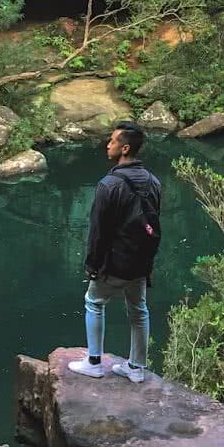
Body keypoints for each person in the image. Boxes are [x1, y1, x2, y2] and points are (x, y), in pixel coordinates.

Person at [68, 121, 162, 384]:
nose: (108, 144)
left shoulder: (109, 184)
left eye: (112, 141)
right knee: (138, 310)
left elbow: (99, 231)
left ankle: (94, 362)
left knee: (94, 302)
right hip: (141, 262)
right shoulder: (153, 181)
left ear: (125, 148)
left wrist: (93, 265)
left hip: (115, 262)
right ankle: (136, 368)